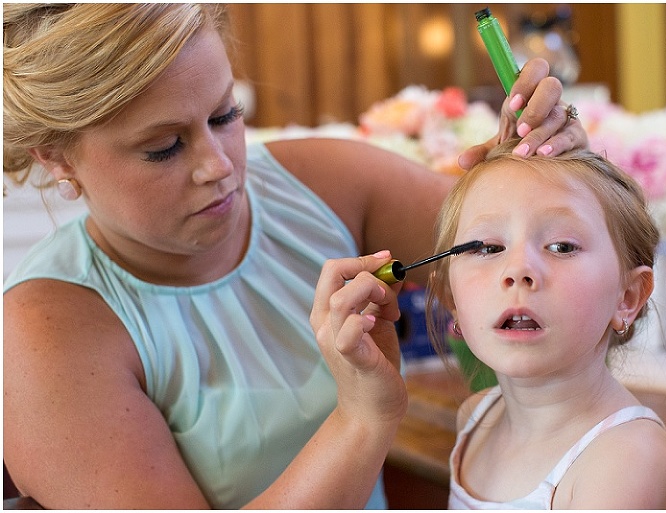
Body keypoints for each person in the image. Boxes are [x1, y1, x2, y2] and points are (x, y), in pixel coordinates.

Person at [3, 4, 588, 510]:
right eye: (164, 148)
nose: (220, 166)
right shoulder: (40, 339)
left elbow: (567, 265)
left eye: (225, 116)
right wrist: (361, 420)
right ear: (56, 158)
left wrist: (551, 181)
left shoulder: (327, 184)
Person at [418, 141, 666, 508]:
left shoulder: (627, 457)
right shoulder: (477, 418)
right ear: (452, 300)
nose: (518, 270)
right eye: (489, 248)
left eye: (561, 247)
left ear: (628, 297)